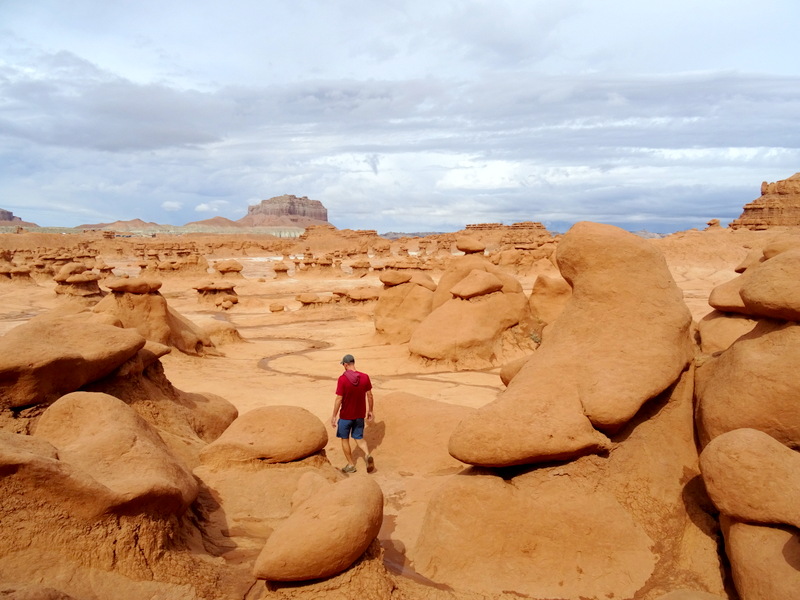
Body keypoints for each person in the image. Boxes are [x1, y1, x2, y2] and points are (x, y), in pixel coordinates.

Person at [330, 354, 374, 473]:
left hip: (346, 416)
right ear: (354, 363)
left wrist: (334, 415)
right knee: (359, 438)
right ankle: (367, 455)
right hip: (359, 415)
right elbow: (369, 395)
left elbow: (339, 399)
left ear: (345, 364)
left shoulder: (343, 379)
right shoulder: (365, 377)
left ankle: (350, 465)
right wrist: (370, 410)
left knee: (345, 439)